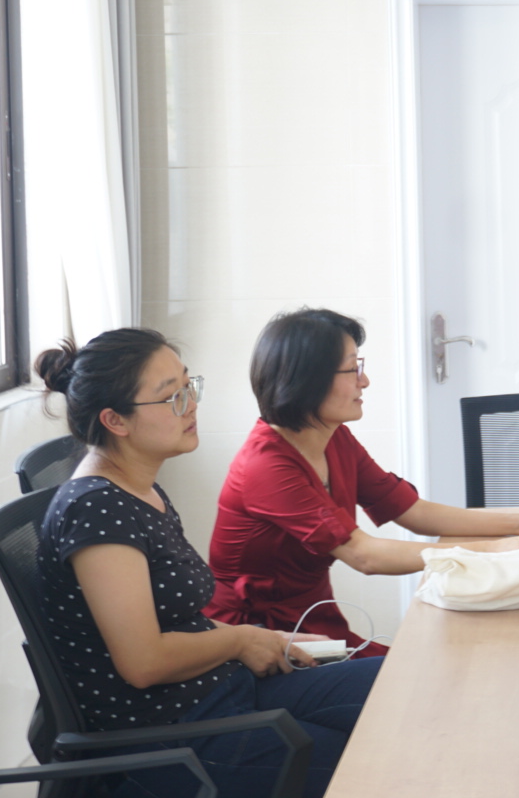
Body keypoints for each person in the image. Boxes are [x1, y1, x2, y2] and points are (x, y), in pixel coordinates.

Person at [35, 328, 382, 798]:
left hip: (223, 690)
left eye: (189, 387)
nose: (191, 406)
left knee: (397, 689)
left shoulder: (141, 489)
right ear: (115, 421)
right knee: (378, 760)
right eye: (172, 397)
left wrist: (266, 639)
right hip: (179, 734)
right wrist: (241, 638)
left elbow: (175, 620)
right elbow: (144, 662)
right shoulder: (96, 509)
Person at [205, 307, 519, 654]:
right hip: (260, 641)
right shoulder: (266, 466)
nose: (365, 381)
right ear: (308, 380)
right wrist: (499, 551)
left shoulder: (334, 438)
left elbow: (413, 512)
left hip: (315, 624)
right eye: (352, 369)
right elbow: (365, 555)